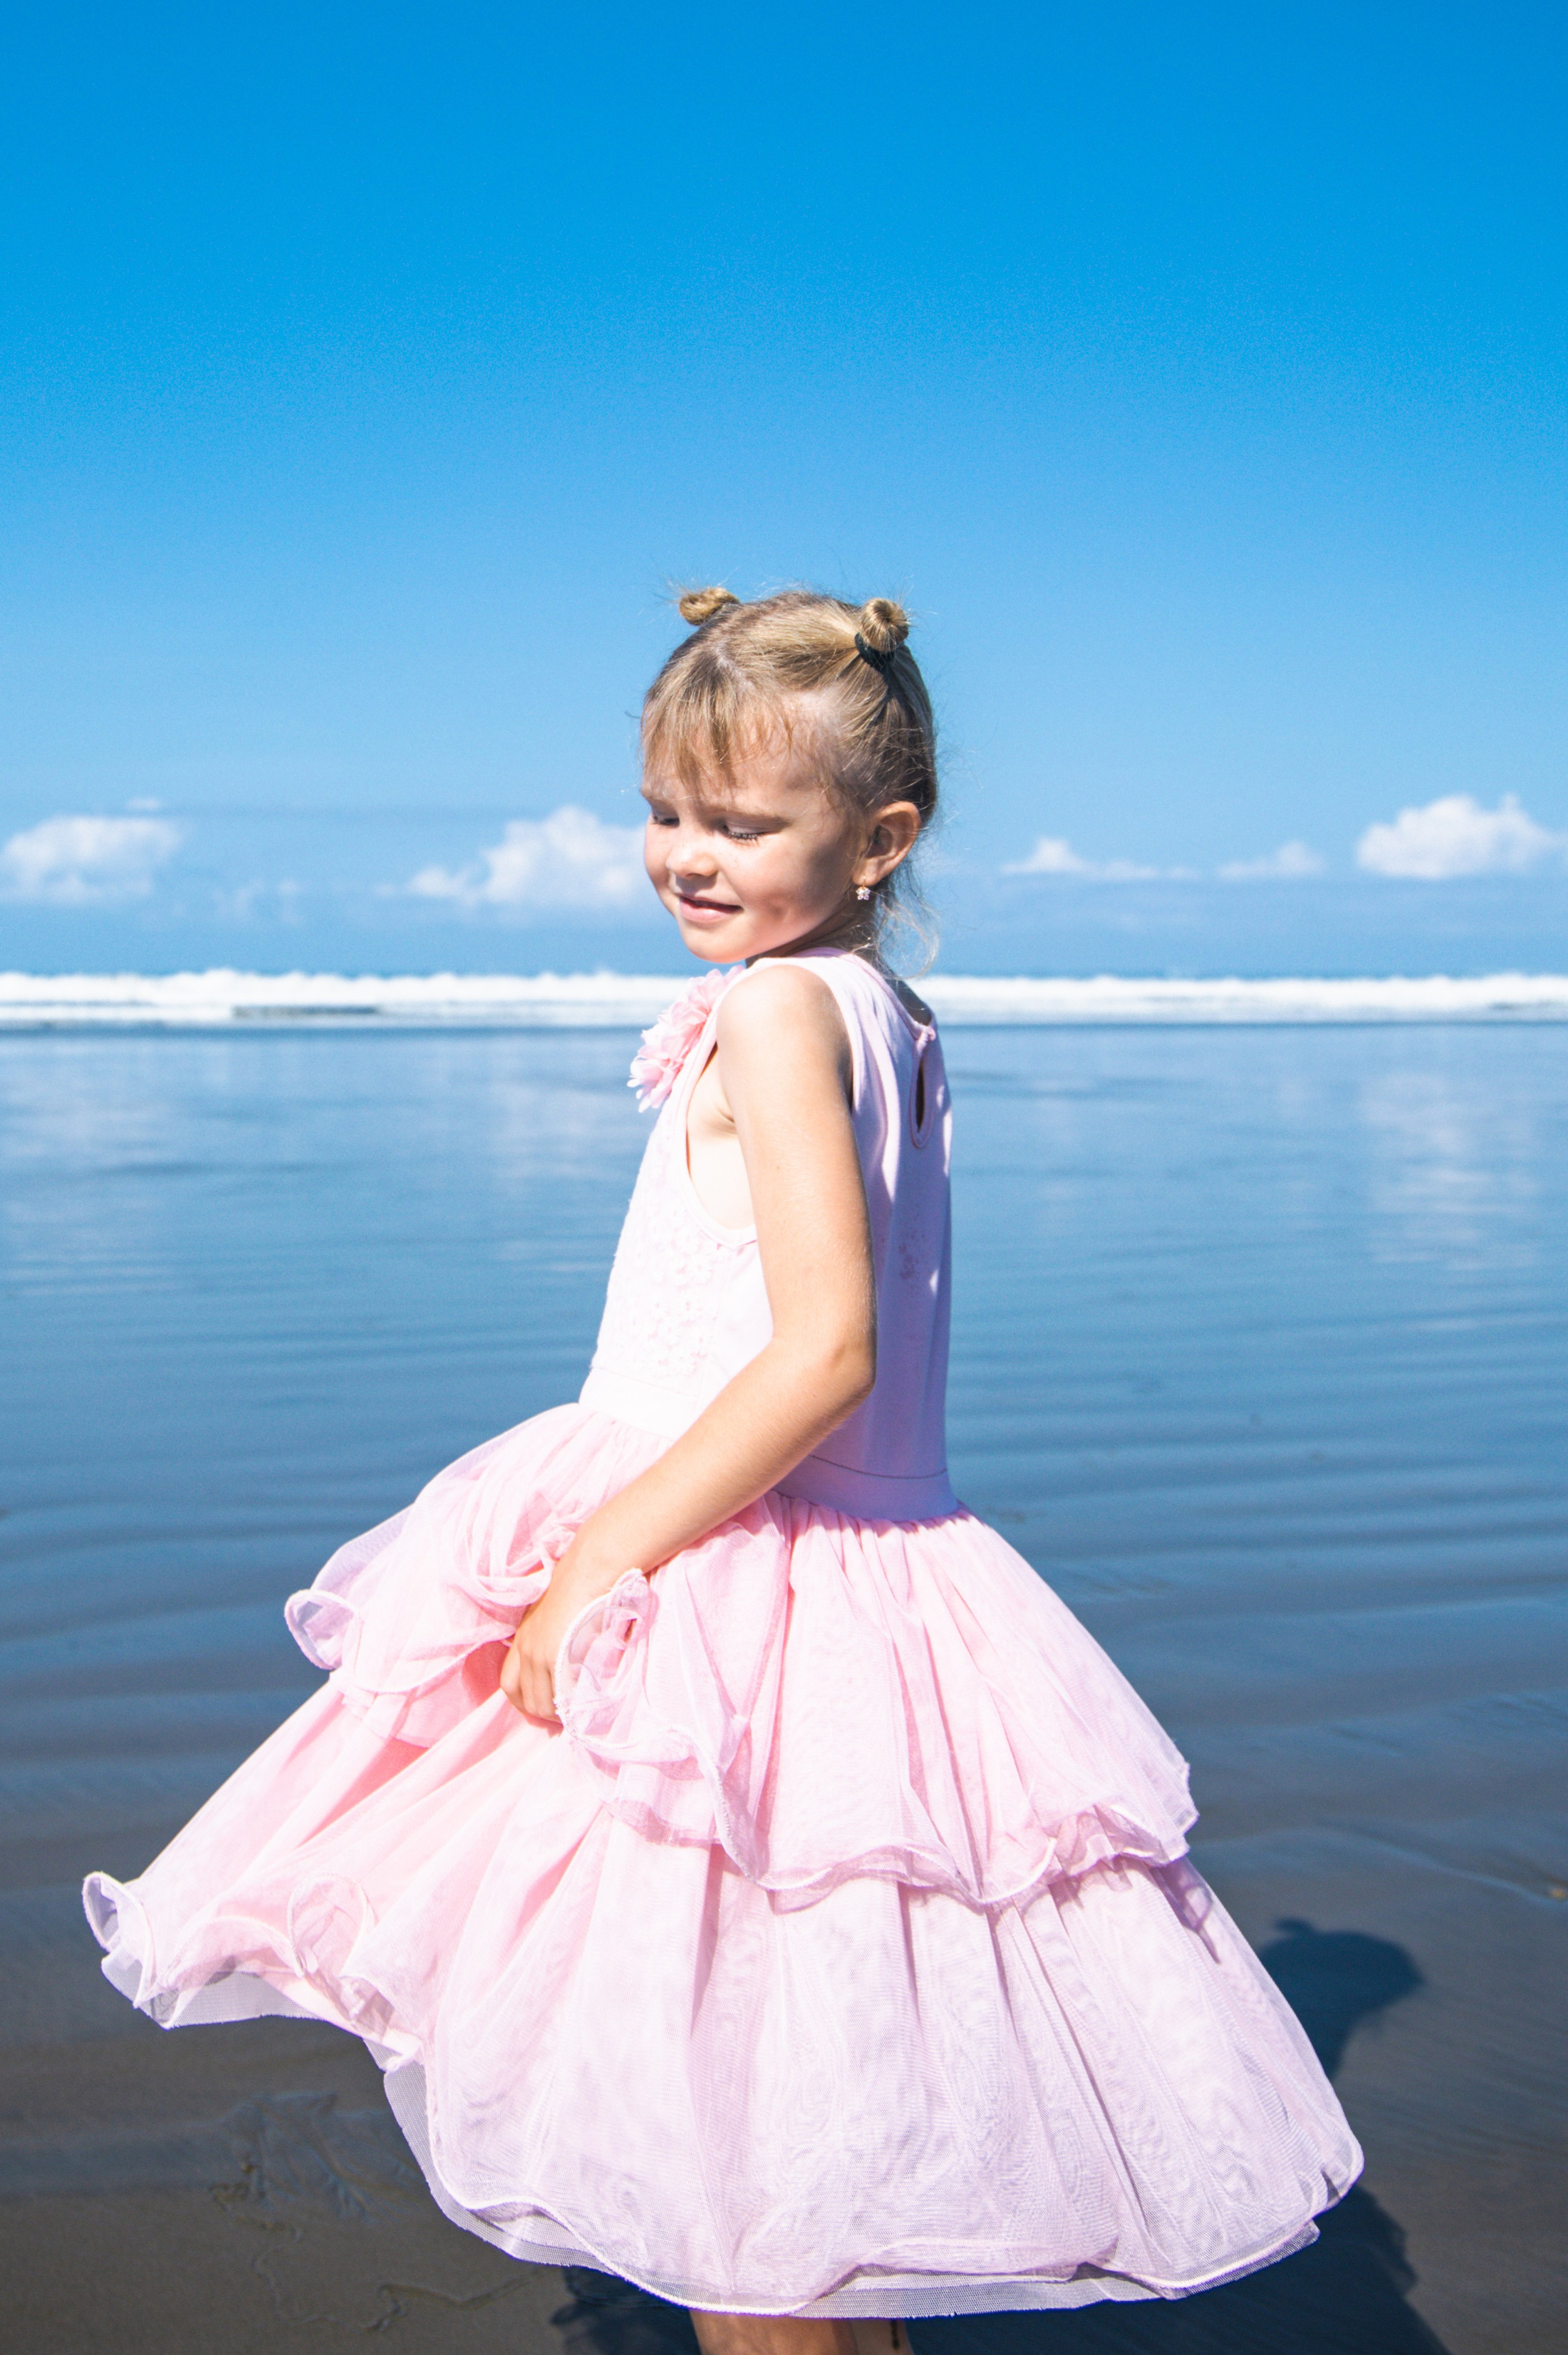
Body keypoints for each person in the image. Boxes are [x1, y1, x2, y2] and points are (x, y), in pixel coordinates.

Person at [85, 586, 1360, 2349]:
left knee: (739, 2177)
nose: (686, 856)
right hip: (872, 1578)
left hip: (739, 1580)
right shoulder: (884, 1012)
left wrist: (599, 1559)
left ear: (878, 836)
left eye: (742, 824)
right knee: (818, 2141)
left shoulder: (775, 1016)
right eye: (665, 814)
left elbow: (825, 1350)